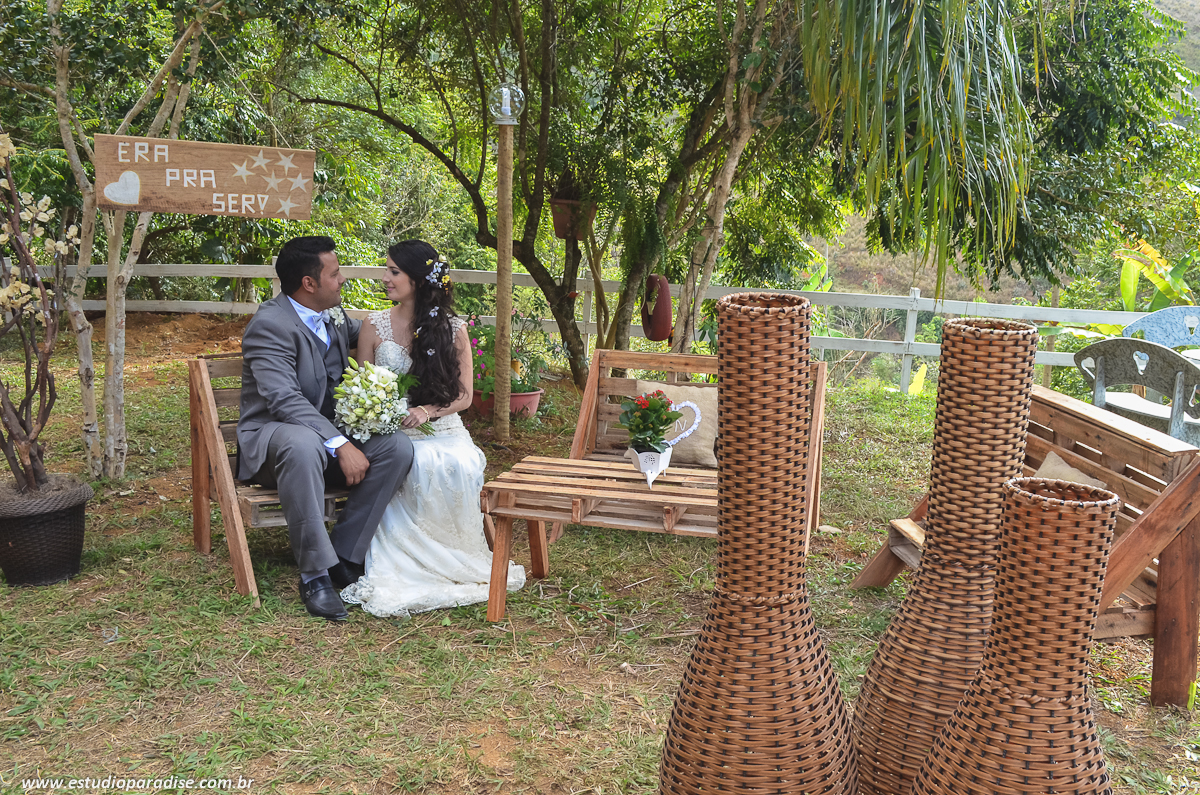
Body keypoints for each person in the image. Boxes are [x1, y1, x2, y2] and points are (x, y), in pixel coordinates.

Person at [339, 239, 526, 619]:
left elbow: (464, 396)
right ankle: (404, 560)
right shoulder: (373, 325)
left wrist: (427, 411)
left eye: (394, 271)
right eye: (387, 270)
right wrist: (376, 413)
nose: (385, 277)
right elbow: (361, 384)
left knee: (457, 462)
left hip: (442, 424)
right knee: (415, 462)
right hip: (390, 429)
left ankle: (453, 555)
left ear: (418, 279)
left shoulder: (452, 329)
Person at [238, 236, 415, 621]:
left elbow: (372, 332)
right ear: (309, 283)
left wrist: (425, 319)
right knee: (302, 443)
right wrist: (339, 444)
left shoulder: (331, 314)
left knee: (395, 447)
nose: (342, 280)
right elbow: (284, 400)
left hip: (326, 440)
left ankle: (344, 556)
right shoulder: (269, 326)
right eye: (334, 274)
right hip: (276, 443)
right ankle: (314, 576)